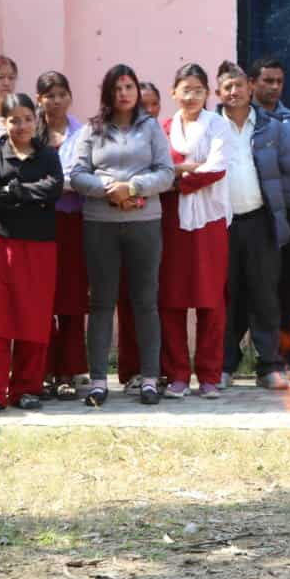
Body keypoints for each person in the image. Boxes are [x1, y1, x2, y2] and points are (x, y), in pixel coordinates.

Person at [70, 64, 174, 406]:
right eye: (117, 88)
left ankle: (149, 379)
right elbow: (77, 174)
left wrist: (133, 188)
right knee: (101, 302)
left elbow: (166, 173)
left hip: (144, 221)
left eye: (129, 87)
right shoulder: (92, 129)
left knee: (145, 301)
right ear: (108, 93)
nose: (124, 93)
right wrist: (108, 190)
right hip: (100, 223)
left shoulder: (151, 128)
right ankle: (99, 381)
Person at [0, 93, 62, 415]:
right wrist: (33, 196)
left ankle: (26, 388)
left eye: (27, 119)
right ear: (3, 122)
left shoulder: (48, 155)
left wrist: (15, 190)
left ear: (36, 120)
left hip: (38, 247)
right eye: (14, 120)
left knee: (33, 320)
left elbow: (54, 188)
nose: (22, 126)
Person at [216, 63, 290, 391]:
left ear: (249, 87)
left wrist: (280, 204)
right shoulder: (211, 126)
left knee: (265, 295)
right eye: (226, 87)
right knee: (226, 296)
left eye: (238, 85)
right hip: (221, 224)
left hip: (260, 220)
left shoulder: (269, 126)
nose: (233, 92)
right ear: (218, 93)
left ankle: (269, 366)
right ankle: (223, 365)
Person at [158, 64, 232, 397]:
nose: (191, 97)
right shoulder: (163, 129)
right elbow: (158, 170)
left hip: (209, 221)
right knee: (171, 300)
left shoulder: (218, 125)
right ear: (173, 92)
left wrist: (179, 177)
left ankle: (209, 375)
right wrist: (185, 170)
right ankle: (177, 374)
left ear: (208, 94)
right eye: (185, 90)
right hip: (171, 222)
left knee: (210, 300)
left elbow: (217, 167)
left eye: (198, 90)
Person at [249, 57, 290, 369]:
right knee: (252, 287)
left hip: (285, 214)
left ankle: (288, 356)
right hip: (252, 214)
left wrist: (286, 200)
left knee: (288, 286)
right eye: (267, 81)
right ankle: (239, 359)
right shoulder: (244, 119)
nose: (274, 87)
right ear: (252, 83)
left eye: (278, 82)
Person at [115, 80, 169, 389]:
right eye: (142, 104)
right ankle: (131, 369)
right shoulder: (123, 136)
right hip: (121, 220)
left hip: (161, 221)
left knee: (153, 299)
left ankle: (156, 367)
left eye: (153, 104)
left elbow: (167, 174)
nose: (148, 110)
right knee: (127, 297)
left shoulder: (163, 133)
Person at [38, 71, 89, 401]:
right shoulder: (31, 132)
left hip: (72, 223)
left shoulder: (83, 134)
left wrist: (54, 184)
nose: (56, 101)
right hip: (38, 224)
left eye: (61, 94)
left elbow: (86, 176)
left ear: (70, 96)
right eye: (49, 95)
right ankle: (41, 370)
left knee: (71, 299)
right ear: (39, 99)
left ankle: (69, 370)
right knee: (41, 300)